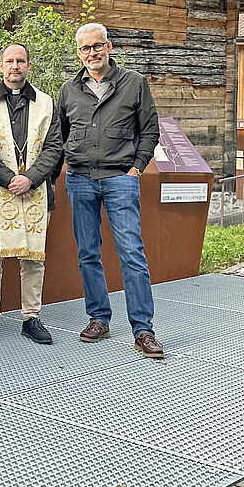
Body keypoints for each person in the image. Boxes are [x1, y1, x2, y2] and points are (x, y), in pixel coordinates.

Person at [57, 22, 164, 358]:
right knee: (88, 253)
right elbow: (60, 134)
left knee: (131, 253)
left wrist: (136, 169)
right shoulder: (69, 89)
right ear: (79, 52)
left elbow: (150, 131)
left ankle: (143, 330)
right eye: (85, 48)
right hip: (80, 179)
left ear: (109, 46)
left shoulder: (134, 84)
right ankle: (98, 318)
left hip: (120, 178)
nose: (92, 53)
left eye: (97, 46)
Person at [0, 44, 63, 345]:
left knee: (34, 257)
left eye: (20, 61)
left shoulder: (46, 103)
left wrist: (31, 178)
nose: (15, 66)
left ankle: (31, 317)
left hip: (36, 190)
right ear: (0, 66)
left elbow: (55, 147)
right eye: (9, 61)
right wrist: (10, 179)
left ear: (29, 66)